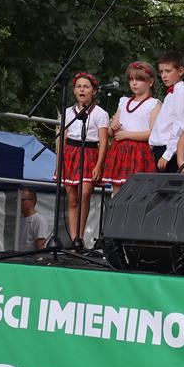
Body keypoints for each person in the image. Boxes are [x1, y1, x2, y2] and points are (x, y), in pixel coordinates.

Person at [57, 71, 109, 249]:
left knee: (85, 192)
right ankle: (75, 240)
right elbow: (62, 138)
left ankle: (80, 234)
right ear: (74, 90)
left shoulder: (100, 113)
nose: (82, 90)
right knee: (72, 198)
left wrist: (99, 165)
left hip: (89, 153)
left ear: (93, 91)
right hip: (71, 153)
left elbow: (103, 141)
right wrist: (59, 163)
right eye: (78, 86)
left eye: (86, 87)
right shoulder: (67, 112)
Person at [104, 60, 159, 194]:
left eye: (139, 79)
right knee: (117, 192)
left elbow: (154, 133)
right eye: (131, 79)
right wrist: (113, 127)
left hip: (140, 152)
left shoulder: (154, 104)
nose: (134, 83)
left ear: (150, 82)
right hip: (120, 151)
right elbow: (110, 131)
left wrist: (127, 135)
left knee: (136, 192)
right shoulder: (124, 102)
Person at [150, 51, 184, 172]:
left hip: (169, 151)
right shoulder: (171, 94)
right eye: (161, 72)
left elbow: (180, 126)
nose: (164, 75)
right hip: (161, 149)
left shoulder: (181, 93)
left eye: (168, 71)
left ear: (180, 71)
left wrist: (167, 154)